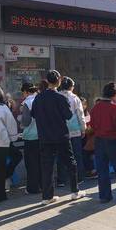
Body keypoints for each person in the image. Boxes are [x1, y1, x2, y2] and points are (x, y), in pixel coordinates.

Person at [31, 70, 84, 205]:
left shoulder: (38, 98)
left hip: (44, 136)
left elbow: (34, 114)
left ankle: (47, 196)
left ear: (47, 80)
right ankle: (75, 191)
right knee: (71, 162)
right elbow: (68, 115)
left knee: (47, 166)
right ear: (59, 80)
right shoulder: (60, 98)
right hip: (61, 135)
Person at [57, 77, 88, 185]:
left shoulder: (57, 96)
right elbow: (80, 114)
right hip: (74, 130)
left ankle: (61, 179)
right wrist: (83, 129)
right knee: (77, 154)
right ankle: (79, 177)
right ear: (71, 87)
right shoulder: (75, 98)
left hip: (61, 130)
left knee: (61, 155)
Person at [19, 82, 41, 194]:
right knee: (41, 162)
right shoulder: (41, 99)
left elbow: (26, 121)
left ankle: (32, 188)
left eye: (23, 93)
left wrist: (20, 122)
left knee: (31, 164)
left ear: (26, 92)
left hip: (30, 137)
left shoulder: (27, 102)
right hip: (42, 136)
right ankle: (43, 185)